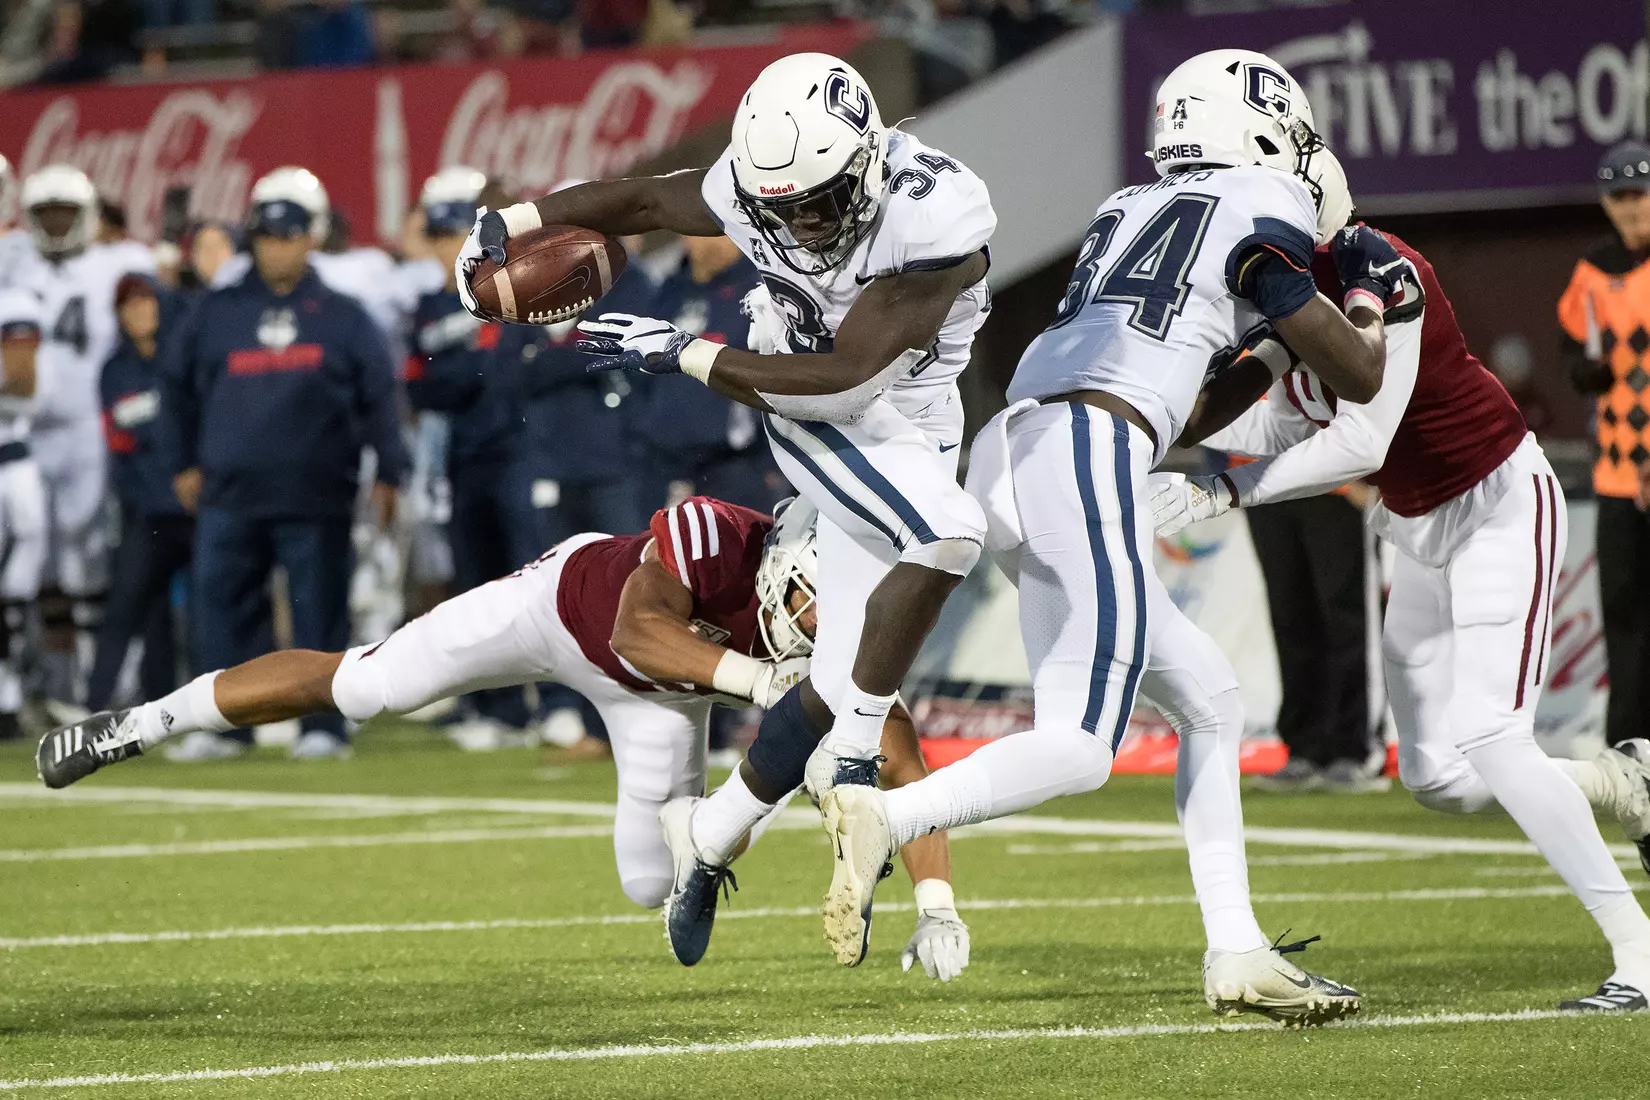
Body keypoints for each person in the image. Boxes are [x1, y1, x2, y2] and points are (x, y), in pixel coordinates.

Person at [812, 50, 1387, 1019]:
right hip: (1087, 448)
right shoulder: (1260, 204)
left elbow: (1185, 411)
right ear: (1257, 128)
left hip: (1025, 441)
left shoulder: (1132, 205)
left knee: (1208, 695)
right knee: (1081, 746)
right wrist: (1358, 285)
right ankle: (890, 813)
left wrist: (1280, 334)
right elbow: (1362, 376)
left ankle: (1238, 952)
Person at [457, 53, 994, 967]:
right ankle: (859, 793)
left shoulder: (937, 213)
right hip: (805, 409)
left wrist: (684, 352)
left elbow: (850, 370)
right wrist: (517, 219)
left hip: (897, 411)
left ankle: (706, 839)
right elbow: (639, 204)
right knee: (947, 532)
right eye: (781, 207)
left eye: (820, 201)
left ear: (867, 158)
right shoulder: (761, 181)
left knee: (836, 690)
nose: (801, 223)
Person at [35, 496, 972, 982]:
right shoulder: (715, 533)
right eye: (812, 599)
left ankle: (719, 827)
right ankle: (144, 720)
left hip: (655, 703)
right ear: (785, 561)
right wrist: (763, 683)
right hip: (553, 613)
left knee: (651, 883)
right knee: (367, 685)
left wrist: (937, 904)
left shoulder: (833, 628)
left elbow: (902, 758)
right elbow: (636, 633)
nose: (816, 624)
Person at [1152, 174, 1650, 1011]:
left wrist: (1227, 491)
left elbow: (1358, 439)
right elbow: (1280, 419)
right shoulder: (1294, 294)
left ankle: (1638, 947)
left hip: (1496, 503)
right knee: (1434, 776)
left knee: (1492, 735)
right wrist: (1148, 418)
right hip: (1419, 529)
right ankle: (1618, 782)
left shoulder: (1381, 271)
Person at [157, 166, 406, 761]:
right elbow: (175, 389)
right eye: (268, 237)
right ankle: (223, 727)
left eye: (288, 236)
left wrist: (392, 471)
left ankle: (322, 727)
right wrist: (181, 463)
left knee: (318, 617)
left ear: (309, 238)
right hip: (230, 492)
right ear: (254, 240)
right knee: (220, 614)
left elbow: (379, 396)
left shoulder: (342, 313)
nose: (277, 248)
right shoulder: (215, 311)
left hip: (317, 492)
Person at [406, 167, 549, 745]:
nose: (444, 249)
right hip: (464, 459)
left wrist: (459, 374)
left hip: (517, 453)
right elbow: (419, 385)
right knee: (478, 588)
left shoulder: (506, 283)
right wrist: (468, 373)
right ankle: (497, 708)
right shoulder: (429, 305)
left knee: (532, 579)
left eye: (450, 236)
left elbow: (499, 368)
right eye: (437, 238)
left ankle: (554, 702)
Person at [15, 165, 156, 707]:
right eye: (45, 213)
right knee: (40, 559)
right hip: (26, 430)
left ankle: (107, 677)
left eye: (64, 212)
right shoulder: (13, 260)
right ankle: (58, 679)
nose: (54, 224)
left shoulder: (119, 264)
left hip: (90, 429)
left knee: (89, 553)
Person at [1558, 140, 1650, 751]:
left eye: (1638, 195)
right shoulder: (1591, 272)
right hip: (1618, 474)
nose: (1630, 209)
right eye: (1619, 197)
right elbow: (1574, 350)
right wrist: (1582, 373)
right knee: (1626, 620)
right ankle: (1630, 755)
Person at [86, 274, 192, 715]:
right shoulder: (115, 371)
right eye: (129, 307)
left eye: (146, 303)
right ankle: (95, 705)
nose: (139, 314)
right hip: (147, 511)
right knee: (135, 608)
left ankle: (226, 712)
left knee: (209, 613)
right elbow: (120, 447)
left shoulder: (183, 357)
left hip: (195, 509)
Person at [1242, 482, 1381, 793]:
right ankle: (1305, 747)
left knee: (1347, 615)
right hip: (1263, 481)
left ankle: (1355, 747)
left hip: (1336, 484)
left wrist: (1364, 476)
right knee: (1290, 619)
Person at [637, 233, 789, 513]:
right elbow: (643, 369)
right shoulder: (671, 290)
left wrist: (771, 462)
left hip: (736, 462)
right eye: (698, 233)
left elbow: (778, 377)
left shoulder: (759, 290)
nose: (709, 243)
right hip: (666, 463)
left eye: (719, 234)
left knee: (746, 553)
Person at [0, 276, 47, 741]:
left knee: (15, 591)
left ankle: (13, 698)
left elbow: (20, 378)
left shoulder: (13, 299)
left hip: (10, 463)